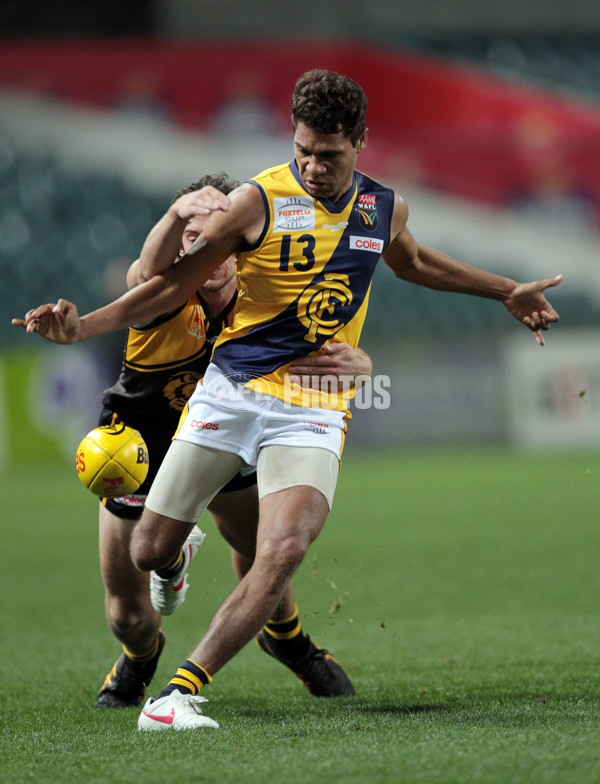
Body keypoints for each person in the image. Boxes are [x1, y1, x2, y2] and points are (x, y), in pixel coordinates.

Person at [14, 69, 562, 732]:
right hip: (233, 389)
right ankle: (181, 559)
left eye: (328, 155)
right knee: (149, 551)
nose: (312, 165)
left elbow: (414, 264)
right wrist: (83, 328)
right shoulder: (257, 200)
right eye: (303, 150)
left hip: (314, 405)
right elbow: (169, 285)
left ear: (359, 142)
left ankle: (179, 694)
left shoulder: (381, 209)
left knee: (282, 550)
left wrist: (506, 289)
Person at [94, 172, 371, 708]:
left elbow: (332, 355)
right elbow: (143, 272)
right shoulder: (162, 293)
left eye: (220, 239)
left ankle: (287, 638)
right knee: (128, 611)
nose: (211, 254)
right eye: (196, 240)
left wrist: (363, 366)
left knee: (263, 550)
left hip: (228, 437)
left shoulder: (267, 293)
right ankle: (140, 655)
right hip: (143, 451)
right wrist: (177, 217)